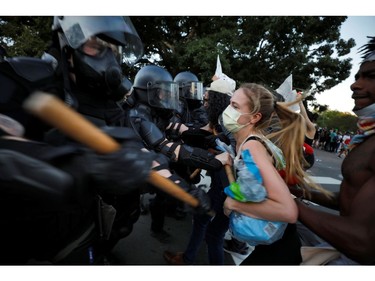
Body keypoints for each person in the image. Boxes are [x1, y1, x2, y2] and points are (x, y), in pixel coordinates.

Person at [221, 83, 331, 265]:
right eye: (230, 103)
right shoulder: (248, 143)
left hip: (280, 247)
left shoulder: (251, 146)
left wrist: (234, 203)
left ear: (255, 117)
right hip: (273, 241)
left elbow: (288, 211)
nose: (227, 110)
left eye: (235, 107)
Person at [293, 36, 375, 265]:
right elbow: (350, 200)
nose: (355, 84)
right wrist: (299, 192)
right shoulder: (367, 139)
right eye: (358, 76)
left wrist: (290, 205)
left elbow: (365, 241)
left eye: (371, 76)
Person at [124, 64, 228, 243]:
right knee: (124, 221)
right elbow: (168, 146)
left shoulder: (158, 112)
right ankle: (155, 228)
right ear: (147, 92)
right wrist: (212, 161)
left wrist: (210, 137)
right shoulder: (138, 115)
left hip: (151, 166)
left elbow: (181, 130)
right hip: (134, 173)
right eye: (161, 92)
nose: (165, 96)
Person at [163, 75, 235, 265]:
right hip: (221, 184)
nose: (204, 103)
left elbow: (227, 150)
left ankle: (189, 259)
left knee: (214, 236)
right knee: (205, 223)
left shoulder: (229, 123)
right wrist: (178, 129)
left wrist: (214, 149)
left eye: (207, 99)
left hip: (227, 187)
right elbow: (200, 132)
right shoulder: (217, 119)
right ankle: (188, 258)